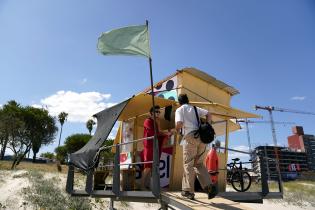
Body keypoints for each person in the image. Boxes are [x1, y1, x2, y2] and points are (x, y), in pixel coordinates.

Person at [175, 93, 216, 200]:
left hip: (190, 137)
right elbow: (209, 114)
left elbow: (179, 123)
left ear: (179, 102)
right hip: (202, 138)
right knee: (199, 164)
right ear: (188, 100)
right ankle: (209, 187)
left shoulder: (180, 110)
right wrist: (208, 125)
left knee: (188, 164)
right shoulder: (195, 108)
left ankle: (188, 191)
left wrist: (177, 130)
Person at [141, 105, 170, 190]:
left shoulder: (156, 122)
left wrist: (165, 133)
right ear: (151, 113)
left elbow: (158, 133)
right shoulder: (148, 121)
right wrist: (166, 134)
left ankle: (148, 185)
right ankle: (142, 185)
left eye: (159, 112)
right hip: (149, 146)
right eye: (156, 111)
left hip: (154, 146)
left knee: (152, 167)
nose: (158, 113)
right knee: (148, 166)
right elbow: (154, 133)